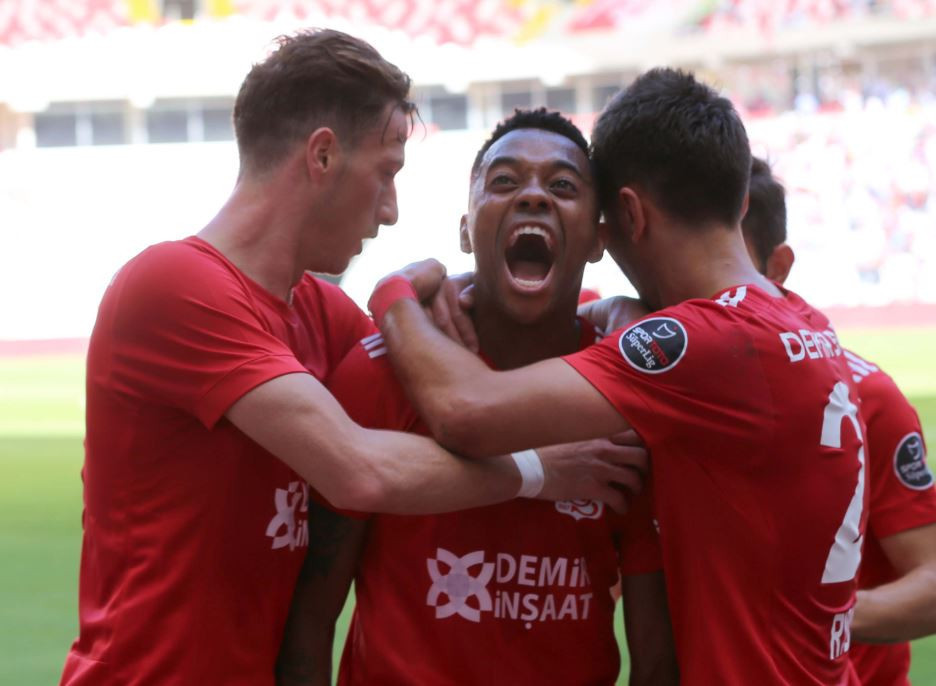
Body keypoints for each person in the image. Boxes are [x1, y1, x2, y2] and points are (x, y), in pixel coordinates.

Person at [59, 30, 647, 686]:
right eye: (386, 173)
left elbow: (428, 360)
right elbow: (357, 471)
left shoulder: (321, 316)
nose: (390, 211)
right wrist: (542, 469)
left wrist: (615, 313)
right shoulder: (174, 285)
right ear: (322, 156)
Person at [364, 68, 869, 684]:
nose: (535, 199)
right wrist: (608, 310)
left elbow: (465, 410)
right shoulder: (805, 323)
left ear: (625, 216)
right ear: (740, 202)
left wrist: (393, 293)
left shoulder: (698, 344)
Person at [276, 109, 678, 686]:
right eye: (505, 181)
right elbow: (309, 620)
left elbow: (657, 658)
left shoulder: (623, 392)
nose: (533, 196)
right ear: (466, 232)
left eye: (563, 186)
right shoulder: (381, 372)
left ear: (598, 240)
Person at [742, 156, 936, 686]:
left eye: (728, 263)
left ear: (777, 267)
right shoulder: (660, 394)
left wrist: (817, 618)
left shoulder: (866, 398)